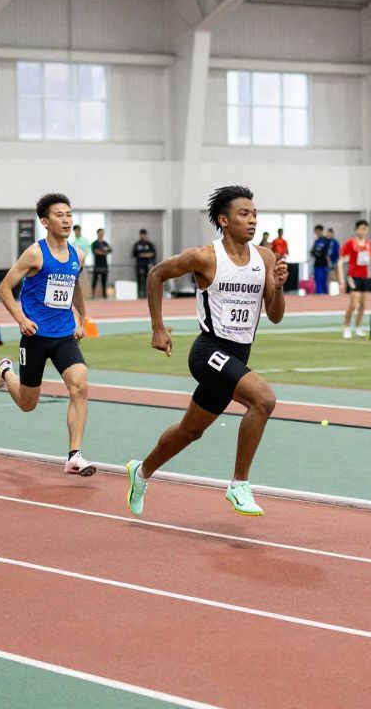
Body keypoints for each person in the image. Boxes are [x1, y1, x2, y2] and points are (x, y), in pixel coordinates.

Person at [124, 185, 288, 518]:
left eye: (255, 214)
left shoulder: (265, 258)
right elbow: (156, 275)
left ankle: (141, 472)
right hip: (209, 351)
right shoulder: (205, 257)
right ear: (224, 220)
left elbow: (274, 315)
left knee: (191, 431)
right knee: (264, 399)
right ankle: (239, 484)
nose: (252, 220)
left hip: (238, 356)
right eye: (244, 214)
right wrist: (157, 327)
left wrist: (280, 288)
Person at [0, 194, 96, 476]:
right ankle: (6, 373)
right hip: (35, 336)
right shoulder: (35, 253)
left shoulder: (78, 255)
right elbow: (3, 289)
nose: (66, 219)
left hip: (63, 336)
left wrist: (82, 319)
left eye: (69, 214)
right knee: (28, 403)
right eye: (59, 215)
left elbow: (75, 288)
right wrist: (21, 319)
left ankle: (74, 455)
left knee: (80, 386)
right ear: (45, 222)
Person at [338, 219, 371, 339]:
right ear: (356, 230)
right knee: (354, 304)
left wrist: (369, 257)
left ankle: (358, 328)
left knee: (363, 305)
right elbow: (341, 262)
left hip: (364, 277)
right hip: (353, 276)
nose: (364, 231)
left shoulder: (369, 244)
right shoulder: (350, 243)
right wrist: (341, 281)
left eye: (366, 229)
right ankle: (347, 328)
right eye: (361, 228)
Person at [133, 229, 157, 299]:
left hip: (148, 265)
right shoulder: (137, 244)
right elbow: (134, 254)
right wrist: (145, 255)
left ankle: (147, 295)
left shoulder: (150, 245)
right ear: (140, 235)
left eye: (144, 235)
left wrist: (143, 255)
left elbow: (153, 254)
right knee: (140, 280)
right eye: (141, 235)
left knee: (148, 280)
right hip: (139, 265)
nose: (143, 236)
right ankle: (139, 295)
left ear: (146, 235)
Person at [71, 224, 93, 296]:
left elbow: (87, 251)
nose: (76, 232)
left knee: (84, 279)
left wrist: (82, 260)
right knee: (76, 279)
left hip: (83, 262)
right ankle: (76, 295)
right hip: (75, 263)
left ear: (80, 231)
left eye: (78, 230)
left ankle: (85, 295)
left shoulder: (84, 240)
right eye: (75, 231)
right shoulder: (73, 242)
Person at [310, 224, 331, 295]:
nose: (317, 233)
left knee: (324, 281)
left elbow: (327, 251)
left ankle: (325, 295)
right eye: (316, 231)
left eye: (318, 231)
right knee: (317, 280)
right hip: (317, 264)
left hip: (324, 263)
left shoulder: (326, 240)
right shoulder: (316, 241)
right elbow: (312, 252)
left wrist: (319, 253)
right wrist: (317, 253)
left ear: (321, 231)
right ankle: (319, 294)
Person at [91, 228, 111, 299]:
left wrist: (101, 251)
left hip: (104, 264)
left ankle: (104, 295)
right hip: (97, 264)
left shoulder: (105, 243)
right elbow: (95, 251)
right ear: (97, 233)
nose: (101, 234)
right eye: (100, 233)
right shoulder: (94, 243)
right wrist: (103, 251)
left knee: (104, 281)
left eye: (102, 233)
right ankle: (92, 294)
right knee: (95, 280)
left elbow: (110, 250)